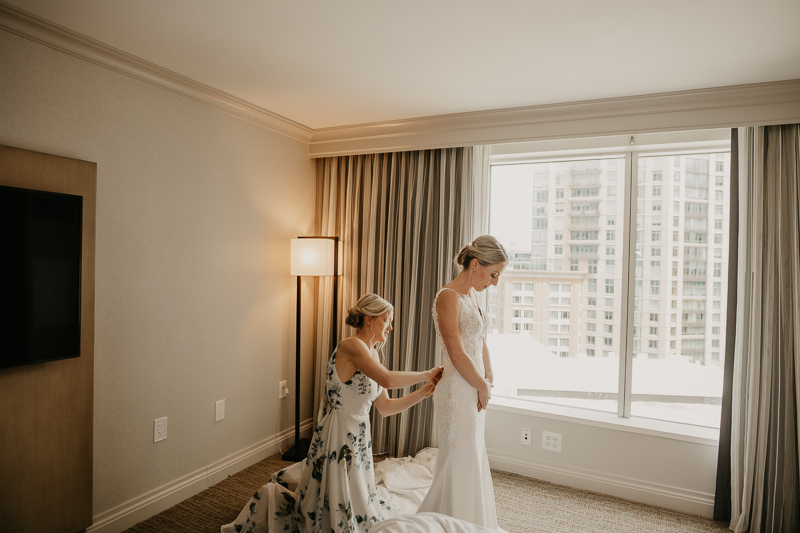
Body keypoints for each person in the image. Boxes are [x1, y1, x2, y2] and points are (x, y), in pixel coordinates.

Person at [221, 293, 443, 533]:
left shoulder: (373, 353)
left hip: (359, 432)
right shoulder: (352, 346)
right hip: (340, 432)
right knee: (334, 502)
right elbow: (388, 380)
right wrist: (425, 374)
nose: (390, 327)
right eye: (387, 319)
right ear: (369, 319)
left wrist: (422, 393)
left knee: (356, 497)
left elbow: (385, 407)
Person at [416, 235, 508, 529]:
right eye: (493, 275)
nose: (494, 282)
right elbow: (455, 352)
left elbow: (479, 340)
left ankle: (469, 521)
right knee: (459, 458)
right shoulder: (448, 297)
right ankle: (447, 522)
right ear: (476, 264)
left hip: (475, 386)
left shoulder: (471, 296)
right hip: (458, 391)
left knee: (473, 456)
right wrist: (481, 384)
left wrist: (488, 375)